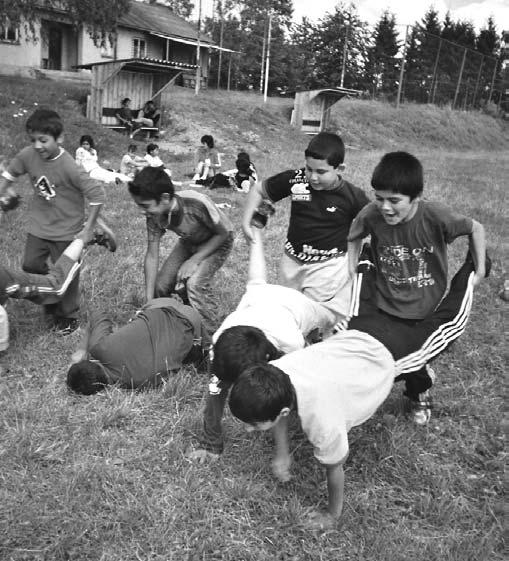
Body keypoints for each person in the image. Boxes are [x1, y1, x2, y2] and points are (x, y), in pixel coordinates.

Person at [227, 247, 485, 530]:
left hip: (393, 352)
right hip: (360, 330)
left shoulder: (322, 421)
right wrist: (282, 452)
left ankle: (472, 269)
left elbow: (334, 470)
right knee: (365, 287)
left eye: (253, 425)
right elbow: (279, 412)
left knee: (448, 323)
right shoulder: (280, 369)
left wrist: (331, 515)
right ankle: (367, 253)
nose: (250, 430)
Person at [347, 151, 487, 423]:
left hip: (424, 303)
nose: (385, 207)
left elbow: (476, 228)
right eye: (379, 198)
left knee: (414, 356)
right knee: (385, 349)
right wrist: (351, 268)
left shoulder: (435, 216)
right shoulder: (372, 214)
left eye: (394, 201)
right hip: (384, 298)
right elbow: (354, 236)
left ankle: (418, 393)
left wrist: (479, 268)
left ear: (416, 198)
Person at [187, 226, 336, 461]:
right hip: (256, 298)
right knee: (256, 282)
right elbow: (215, 392)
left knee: (333, 321)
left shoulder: (291, 345)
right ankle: (256, 234)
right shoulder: (221, 344)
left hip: (297, 307)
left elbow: (286, 396)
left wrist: (282, 449)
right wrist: (210, 445)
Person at [242, 132, 369, 324]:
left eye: (321, 172)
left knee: (311, 317)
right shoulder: (297, 179)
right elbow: (259, 190)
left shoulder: (352, 196)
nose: (313, 177)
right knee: (287, 311)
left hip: (327, 267)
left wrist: (354, 257)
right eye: (309, 169)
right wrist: (245, 221)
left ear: (339, 168)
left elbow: (370, 224)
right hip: (291, 262)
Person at [0, 108, 106, 334]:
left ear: (59, 138)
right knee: (29, 265)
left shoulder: (69, 166)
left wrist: (87, 228)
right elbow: (10, 174)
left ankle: (67, 316)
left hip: (67, 230)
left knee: (66, 273)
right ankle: (49, 297)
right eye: (33, 140)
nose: (38, 146)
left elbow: (97, 195)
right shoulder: (29, 155)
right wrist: (3, 194)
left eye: (43, 140)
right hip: (39, 227)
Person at [127, 166, 233, 338]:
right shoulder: (154, 216)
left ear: (165, 198)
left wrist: (194, 260)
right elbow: (152, 255)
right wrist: (149, 299)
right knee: (161, 286)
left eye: (145, 205)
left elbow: (224, 233)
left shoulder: (196, 202)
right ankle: (178, 316)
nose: (142, 211)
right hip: (189, 241)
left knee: (195, 284)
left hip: (218, 241)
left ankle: (211, 336)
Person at [66, 295, 206, 394]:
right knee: (134, 320)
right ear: (89, 360)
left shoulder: (139, 384)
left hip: (193, 323)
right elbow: (98, 314)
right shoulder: (99, 347)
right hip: (163, 304)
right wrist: (81, 349)